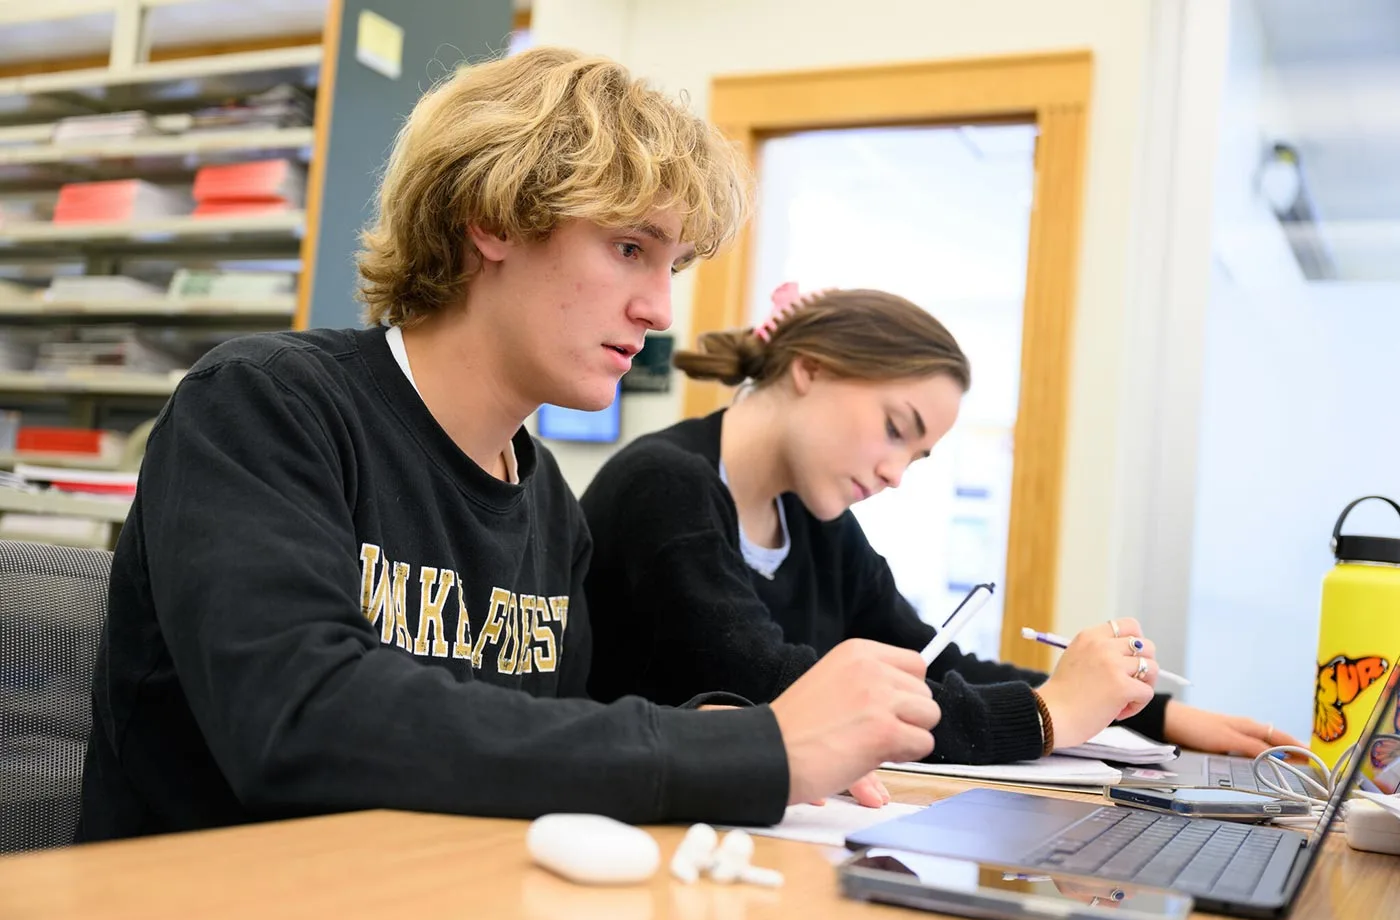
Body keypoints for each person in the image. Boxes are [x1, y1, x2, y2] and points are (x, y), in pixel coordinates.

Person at [75, 48, 942, 841]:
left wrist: (736, 732)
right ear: (492, 219)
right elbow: (301, 719)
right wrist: (755, 748)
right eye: (629, 247)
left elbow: (542, 746)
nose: (660, 310)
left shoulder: (549, 502)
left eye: (668, 266)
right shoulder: (267, 404)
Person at [581, 284, 1302, 764]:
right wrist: (1048, 711)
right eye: (897, 428)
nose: (896, 473)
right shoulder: (666, 488)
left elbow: (932, 660)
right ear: (810, 367)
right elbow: (783, 688)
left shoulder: (816, 521)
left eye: (917, 457)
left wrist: (1150, 715)